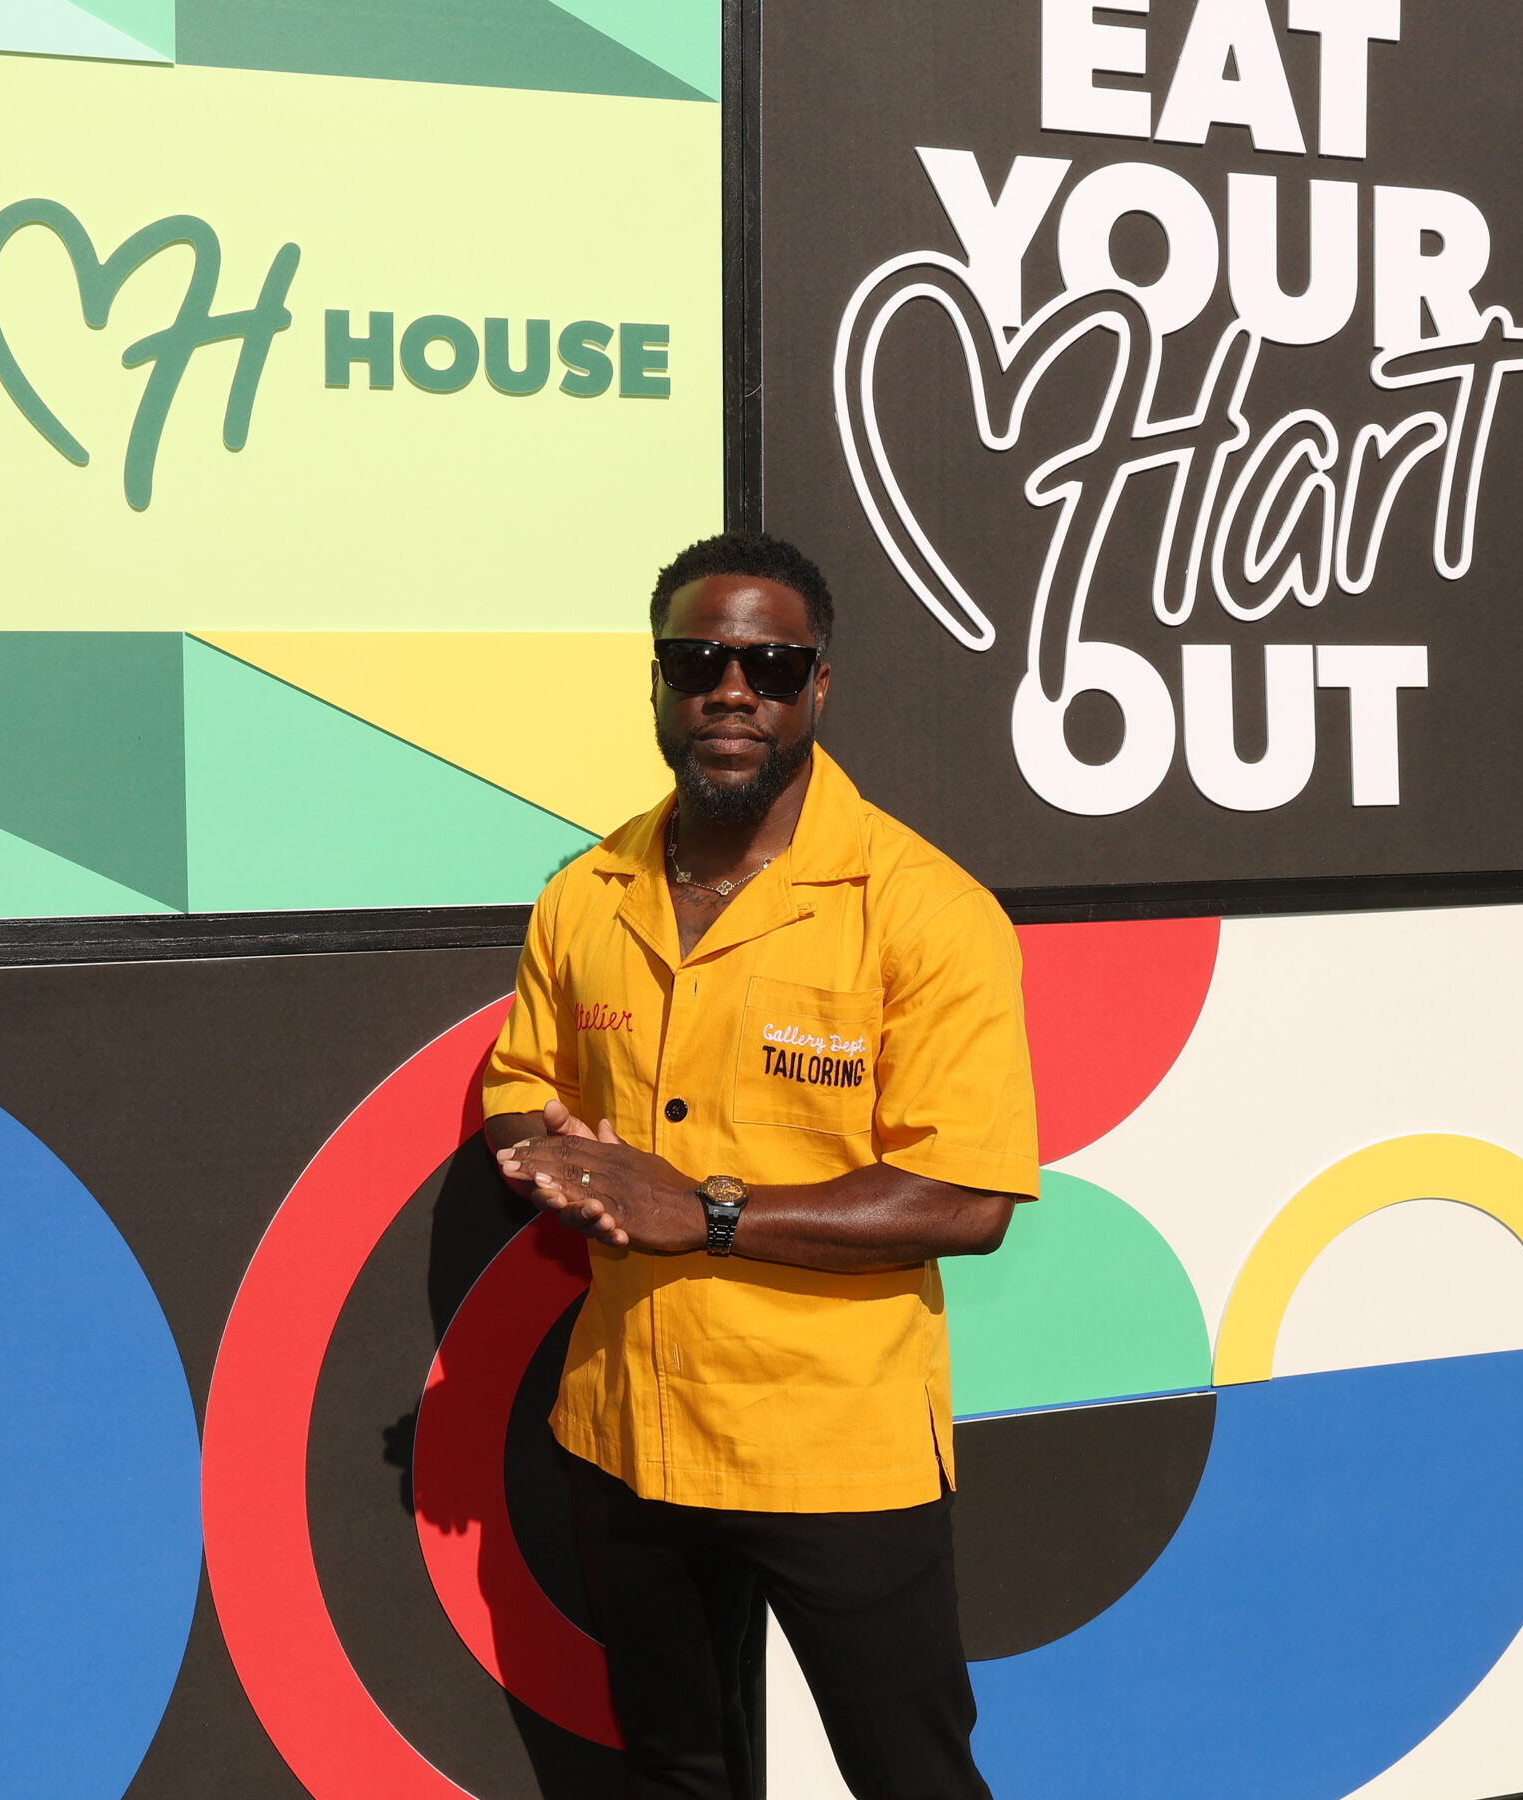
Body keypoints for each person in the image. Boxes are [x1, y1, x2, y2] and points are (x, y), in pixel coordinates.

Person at [483, 530, 1039, 1800]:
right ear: (660, 682)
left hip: (834, 1451)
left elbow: (967, 1195)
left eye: (772, 665)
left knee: (912, 1776)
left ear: (819, 689)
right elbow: (522, 1087)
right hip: (625, 1428)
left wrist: (706, 1211)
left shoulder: (924, 909)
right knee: (679, 1769)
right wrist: (545, 1159)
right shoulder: (586, 889)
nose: (732, 690)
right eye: (701, 659)